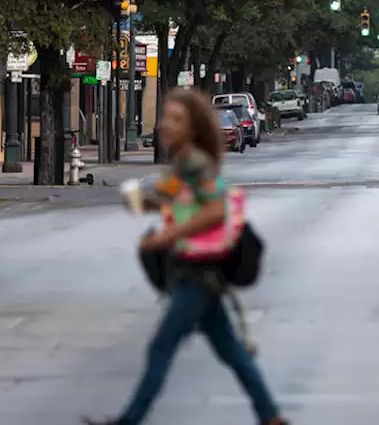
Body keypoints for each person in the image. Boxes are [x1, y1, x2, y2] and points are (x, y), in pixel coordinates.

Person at [84, 89, 286, 425]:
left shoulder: (195, 162)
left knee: (161, 348)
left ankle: (129, 421)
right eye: (166, 117)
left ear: (192, 128)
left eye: (176, 120)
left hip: (197, 274)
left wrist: (167, 235)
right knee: (232, 352)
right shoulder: (183, 164)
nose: (166, 125)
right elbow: (170, 199)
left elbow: (215, 209)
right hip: (194, 272)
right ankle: (270, 416)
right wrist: (141, 202)